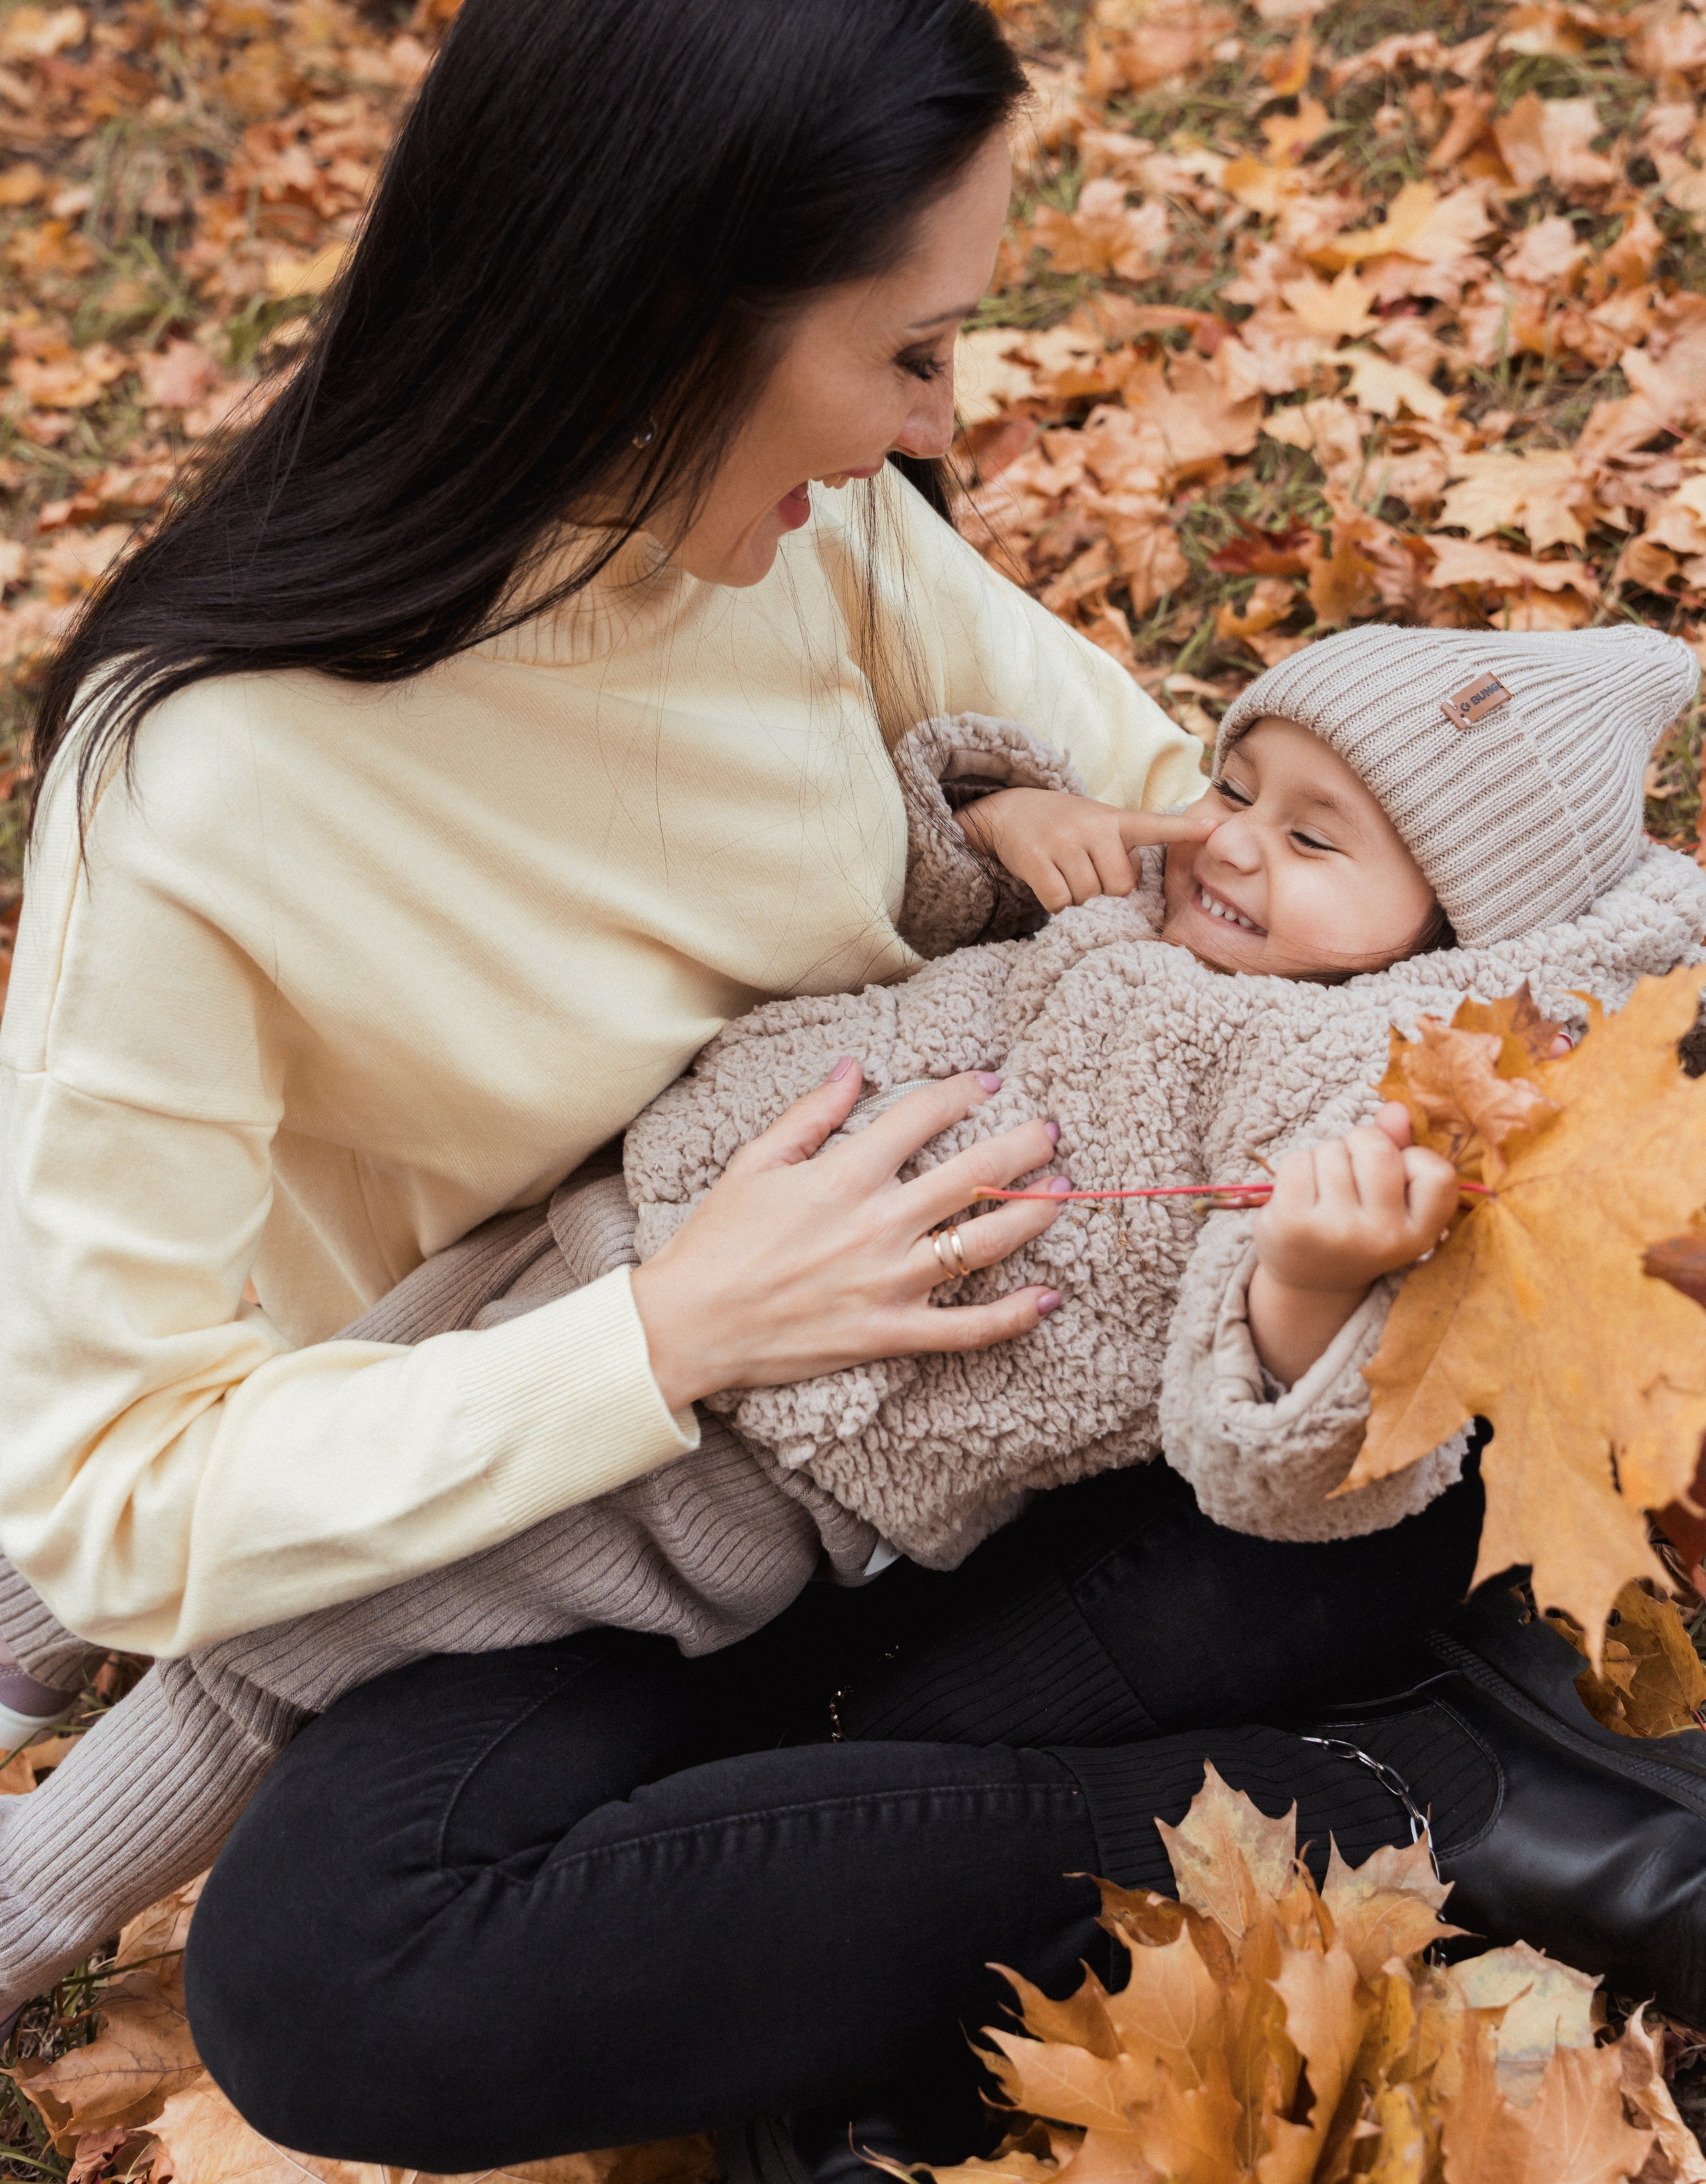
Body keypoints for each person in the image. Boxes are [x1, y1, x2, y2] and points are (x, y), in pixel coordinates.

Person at [0, 0, 1701, 2173]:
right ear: (667, 311)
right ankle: (1421, 1792)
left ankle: (874, 1891)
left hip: (990, 1435)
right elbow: (106, 1490)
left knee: (1397, 1401)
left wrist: (1470, 1065)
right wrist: (666, 1332)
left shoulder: (814, 533)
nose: (933, 428)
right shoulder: (202, 792)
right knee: (326, 1976)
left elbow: (1189, 827)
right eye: (905, 351)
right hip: (565, 1499)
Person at [3, 624, 1703, 2039]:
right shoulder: (1164, 899)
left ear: (1453, 930)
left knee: (277, 1626)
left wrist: (1309, 1285)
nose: (1234, 842)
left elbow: (1274, 1449)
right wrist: (1004, 815)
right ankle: (26, 1641)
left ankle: (28, 1909)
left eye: (1315, 839)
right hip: (607, 1234)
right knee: (258, 1431)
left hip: (736, 1455)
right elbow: (920, 898)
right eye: (1236, 782)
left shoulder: (1333, 1093)